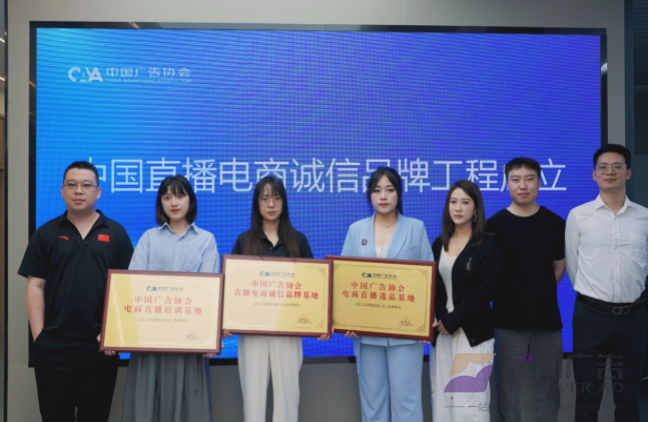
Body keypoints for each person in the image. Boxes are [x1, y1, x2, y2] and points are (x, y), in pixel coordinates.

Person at [18, 161, 134, 422]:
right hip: (54, 347)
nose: (78, 190)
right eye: (72, 185)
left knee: (95, 416)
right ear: (62, 191)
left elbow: (127, 289)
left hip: (100, 347)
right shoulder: (46, 233)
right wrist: (40, 339)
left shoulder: (116, 233)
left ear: (98, 192)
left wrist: (112, 333)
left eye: (86, 185)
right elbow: (35, 286)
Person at [121, 175, 220, 422]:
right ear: (160, 203)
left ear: (190, 200)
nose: (173, 202)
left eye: (179, 196)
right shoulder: (148, 238)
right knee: (146, 408)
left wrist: (209, 337)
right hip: (149, 339)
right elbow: (131, 286)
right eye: (166, 197)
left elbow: (208, 294)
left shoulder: (206, 240)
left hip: (189, 341)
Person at [341, 167, 433, 422]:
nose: (383, 196)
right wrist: (345, 321)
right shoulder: (356, 230)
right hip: (367, 332)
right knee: (373, 404)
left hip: (406, 332)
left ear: (398, 194)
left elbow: (429, 279)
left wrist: (426, 321)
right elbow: (344, 278)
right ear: (369, 195)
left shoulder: (416, 227)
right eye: (377, 190)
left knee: (407, 403)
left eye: (389, 190)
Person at [226, 176, 320, 422]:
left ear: (284, 202)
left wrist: (319, 322)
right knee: (253, 400)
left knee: (288, 397)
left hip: (287, 331)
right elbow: (231, 286)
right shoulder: (244, 241)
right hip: (252, 332)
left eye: (276, 198)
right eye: (265, 198)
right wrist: (226, 321)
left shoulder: (298, 241)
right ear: (256, 203)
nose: (271, 204)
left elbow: (313, 286)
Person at [566, 144, 648, 422]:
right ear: (594, 174)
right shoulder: (579, 215)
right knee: (587, 398)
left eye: (617, 166)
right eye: (603, 167)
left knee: (629, 399)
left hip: (633, 317)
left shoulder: (644, 217)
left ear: (628, 173)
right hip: (591, 317)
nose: (610, 171)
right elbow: (574, 266)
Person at [487, 157, 565, 422]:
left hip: (547, 323)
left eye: (530, 179)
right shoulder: (493, 226)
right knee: (508, 395)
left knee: (548, 393)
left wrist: (537, 289)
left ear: (539, 183)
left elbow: (559, 266)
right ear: (507, 184)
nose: (523, 185)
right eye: (516, 179)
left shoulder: (555, 223)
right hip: (507, 323)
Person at [430, 180, 499, 422]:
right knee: (442, 401)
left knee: (470, 406)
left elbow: (486, 290)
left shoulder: (487, 244)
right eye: (453, 201)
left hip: (473, 335)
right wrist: (443, 319)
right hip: (443, 333)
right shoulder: (439, 243)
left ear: (476, 208)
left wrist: (455, 319)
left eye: (465, 202)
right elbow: (432, 286)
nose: (458, 208)